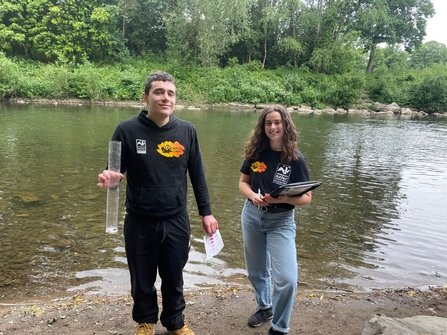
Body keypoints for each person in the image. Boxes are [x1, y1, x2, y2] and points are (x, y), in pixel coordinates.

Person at [97, 71, 219, 335]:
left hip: (176, 220)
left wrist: (206, 213)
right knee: (142, 279)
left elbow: (197, 174)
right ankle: (146, 321)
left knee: (174, 277)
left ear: (175, 99)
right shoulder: (126, 130)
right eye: (159, 92)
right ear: (145, 97)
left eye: (170, 93)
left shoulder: (186, 130)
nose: (166, 98)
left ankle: (175, 322)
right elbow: (114, 175)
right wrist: (110, 180)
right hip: (139, 220)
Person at [238, 104, 312, 335]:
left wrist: (283, 199)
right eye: (268, 123)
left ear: (285, 125)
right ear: (263, 126)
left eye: (277, 122)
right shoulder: (255, 153)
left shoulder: (296, 158)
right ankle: (264, 307)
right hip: (251, 216)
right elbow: (243, 183)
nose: (273, 127)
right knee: (256, 271)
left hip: (281, 221)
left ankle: (279, 328)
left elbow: (307, 198)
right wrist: (253, 196)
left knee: (287, 279)